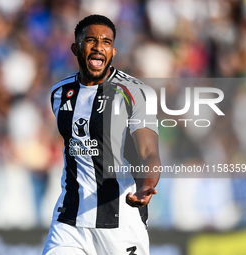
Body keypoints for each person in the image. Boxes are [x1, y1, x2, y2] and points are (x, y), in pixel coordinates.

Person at [43, 14, 161, 255]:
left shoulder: (135, 92)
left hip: (120, 220)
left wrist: (146, 185)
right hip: (70, 218)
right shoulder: (60, 92)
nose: (98, 47)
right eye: (91, 40)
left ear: (113, 51)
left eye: (106, 42)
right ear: (76, 48)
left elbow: (149, 153)